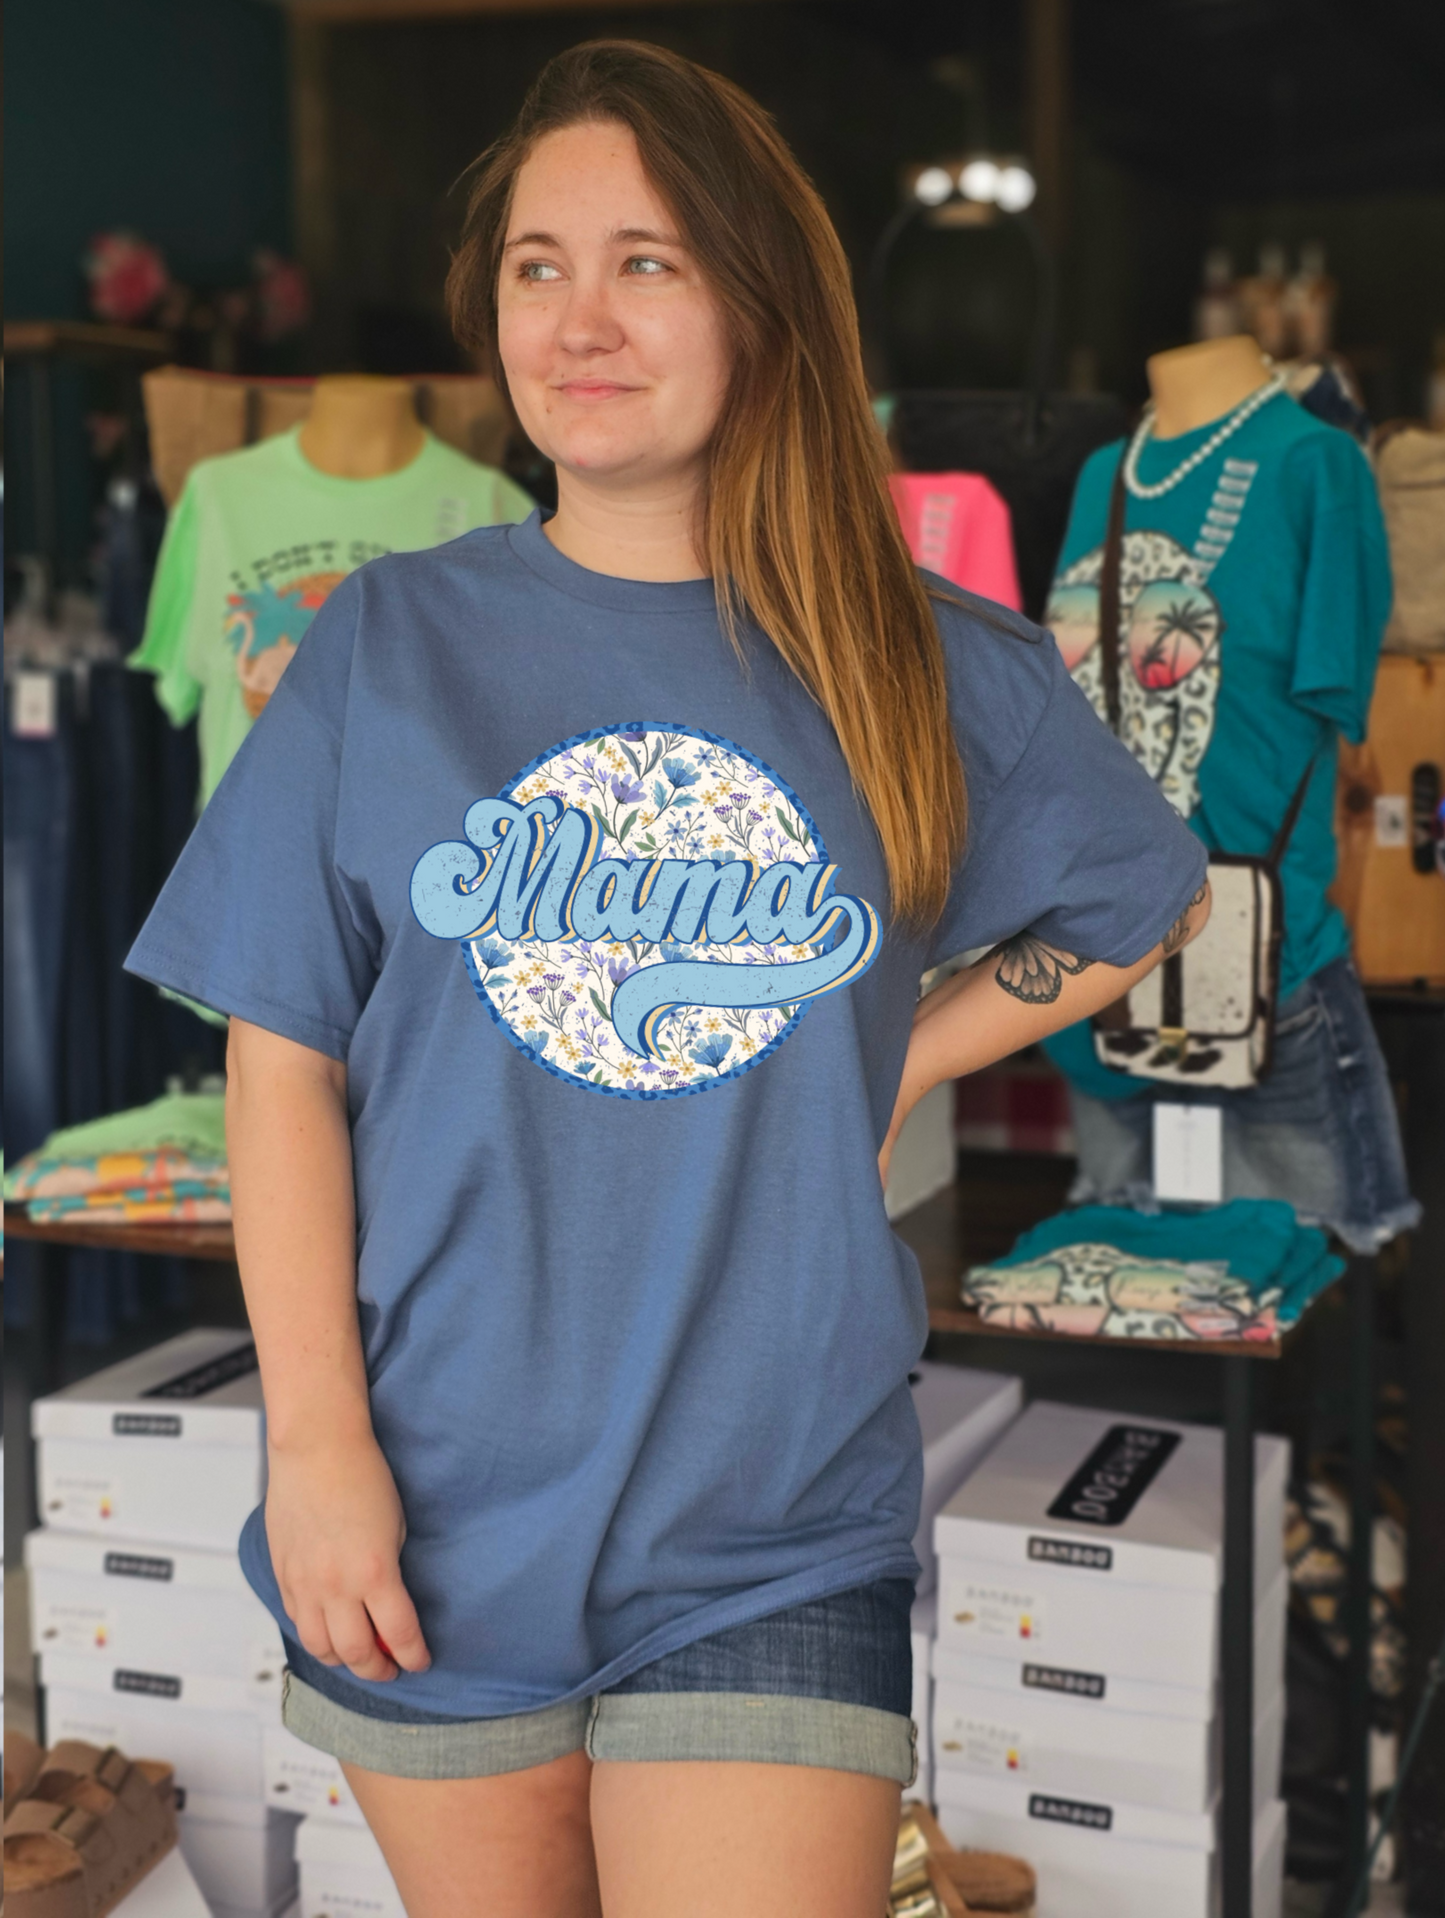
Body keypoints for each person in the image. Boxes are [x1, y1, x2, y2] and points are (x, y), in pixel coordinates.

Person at [126, 40, 1209, 1918]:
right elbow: (280, 1057)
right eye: (539, 264)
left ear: (760, 303)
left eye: (648, 259)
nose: (579, 315)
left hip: (772, 1527)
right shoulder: (389, 644)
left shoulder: (919, 659)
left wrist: (901, 1050)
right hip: (431, 1510)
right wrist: (313, 1449)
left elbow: (1144, 900)